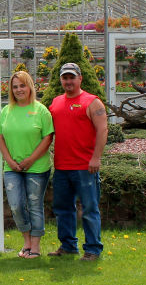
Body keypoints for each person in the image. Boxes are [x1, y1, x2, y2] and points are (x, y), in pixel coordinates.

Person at [47, 61, 109, 260]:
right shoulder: (55, 103)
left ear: (80, 78)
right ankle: (68, 246)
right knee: (63, 208)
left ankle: (92, 249)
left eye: (72, 77)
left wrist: (96, 158)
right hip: (62, 167)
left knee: (89, 209)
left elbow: (103, 130)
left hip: (85, 167)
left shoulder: (92, 102)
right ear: (61, 80)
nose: (68, 81)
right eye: (65, 77)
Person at [0, 70, 54, 258]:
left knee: (35, 204)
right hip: (12, 168)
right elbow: (0, 137)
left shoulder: (41, 110)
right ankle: (26, 240)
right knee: (16, 205)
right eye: (15, 87)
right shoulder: (6, 111)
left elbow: (47, 138)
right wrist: (10, 161)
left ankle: (35, 246)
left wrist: (30, 160)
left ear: (30, 87)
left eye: (22, 85)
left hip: (37, 168)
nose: (19, 89)